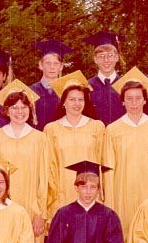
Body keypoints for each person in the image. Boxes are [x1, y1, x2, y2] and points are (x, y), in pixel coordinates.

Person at [0, 79, 49, 243]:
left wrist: (41, 213)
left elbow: (45, 177)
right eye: (14, 107)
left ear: (30, 110)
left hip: (31, 206)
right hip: (3, 207)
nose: (19, 111)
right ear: (6, 110)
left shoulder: (40, 138)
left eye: (24, 107)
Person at [102, 68, 148, 241]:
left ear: (145, 100)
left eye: (138, 98)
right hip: (122, 192)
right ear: (122, 101)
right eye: (129, 99)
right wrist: (110, 202)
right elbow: (108, 170)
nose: (134, 103)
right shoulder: (112, 130)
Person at [44, 70, 106, 217]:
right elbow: (49, 166)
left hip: (90, 193)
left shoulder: (97, 127)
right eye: (72, 99)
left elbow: (102, 162)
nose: (76, 104)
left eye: (81, 99)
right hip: (61, 194)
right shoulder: (51, 129)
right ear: (63, 101)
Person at [85, 30, 126, 125]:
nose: (106, 60)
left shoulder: (126, 85)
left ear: (117, 57)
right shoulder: (86, 86)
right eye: (101, 56)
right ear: (95, 59)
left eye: (110, 55)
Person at [31, 39, 72, 131]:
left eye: (56, 63)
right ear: (40, 65)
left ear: (61, 67)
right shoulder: (31, 91)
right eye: (48, 63)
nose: (52, 67)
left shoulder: (68, 90)